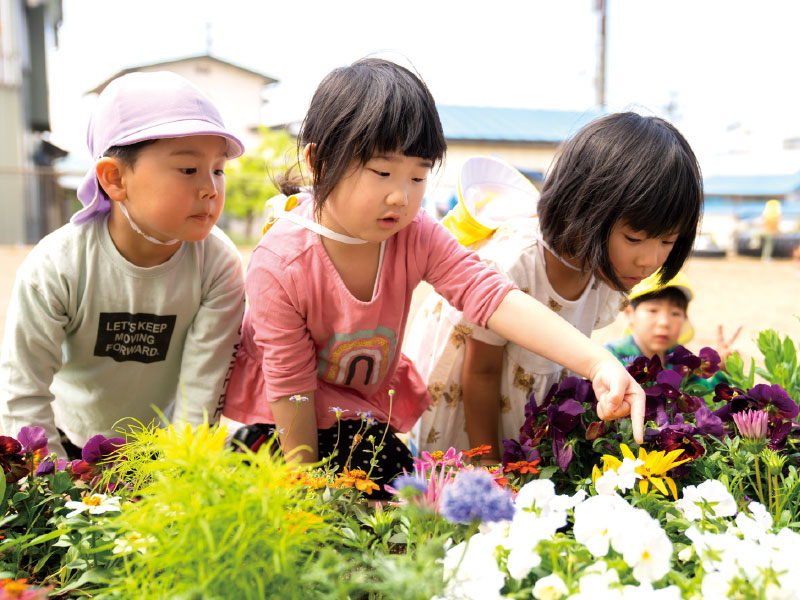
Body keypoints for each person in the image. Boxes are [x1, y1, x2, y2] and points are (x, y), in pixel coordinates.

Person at [222, 58, 644, 495]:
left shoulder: (413, 233)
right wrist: (307, 492)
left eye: (418, 176)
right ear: (318, 163)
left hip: (360, 417)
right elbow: (290, 387)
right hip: (282, 422)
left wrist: (598, 363)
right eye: (383, 173)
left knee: (410, 515)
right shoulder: (281, 261)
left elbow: (492, 296)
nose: (400, 195)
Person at [405, 112, 703, 463]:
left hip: (521, 419)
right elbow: (480, 374)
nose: (649, 260)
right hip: (468, 424)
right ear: (585, 206)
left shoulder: (604, 269)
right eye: (634, 238)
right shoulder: (517, 260)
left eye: (667, 241)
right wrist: (490, 466)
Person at [0, 71, 246, 459]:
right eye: (188, 169)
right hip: (69, 442)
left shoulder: (218, 265)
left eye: (218, 169)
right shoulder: (57, 266)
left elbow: (203, 391)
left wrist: (175, 481)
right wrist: (53, 492)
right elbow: (22, 394)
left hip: (165, 449)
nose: (210, 189)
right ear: (114, 178)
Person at [605, 271, 740, 389]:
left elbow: (703, 397)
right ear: (629, 313)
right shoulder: (611, 357)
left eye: (675, 313)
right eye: (653, 310)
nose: (664, 322)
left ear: (685, 318)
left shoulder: (681, 361)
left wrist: (723, 369)